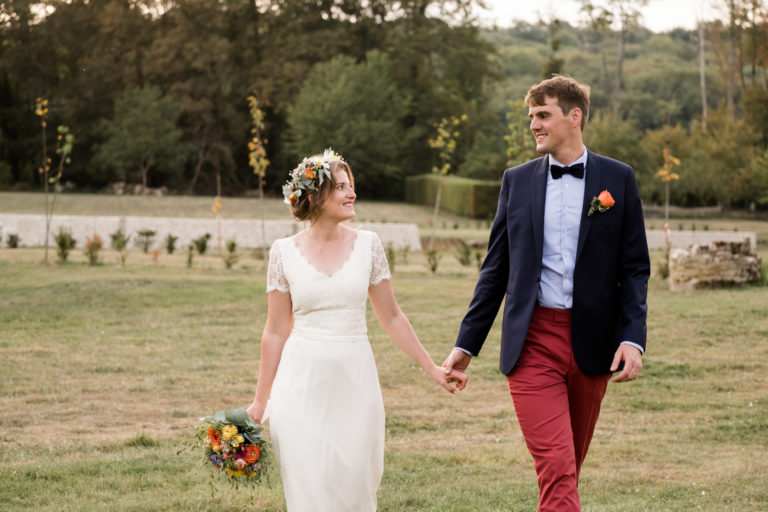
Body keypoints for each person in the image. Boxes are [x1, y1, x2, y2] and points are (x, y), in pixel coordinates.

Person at [443, 75, 650, 511]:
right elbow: (495, 270)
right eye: (531, 116)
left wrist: (632, 339)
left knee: (566, 468)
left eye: (543, 115)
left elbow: (635, 269)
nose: (534, 125)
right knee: (557, 466)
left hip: (593, 345)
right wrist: (467, 344)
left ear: (574, 117)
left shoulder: (619, 178)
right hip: (532, 341)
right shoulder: (516, 182)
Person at [246, 149, 467, 512]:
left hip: (355, 382)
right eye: (342, 188)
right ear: (315, 196)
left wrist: (434, 371)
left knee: (355, 487)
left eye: (352, 186)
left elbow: (392, 316)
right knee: (308, 486)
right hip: (300, 384)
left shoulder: (369, 246)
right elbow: (274, 331)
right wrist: (260, 401)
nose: (352, 194)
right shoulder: (282, 252)